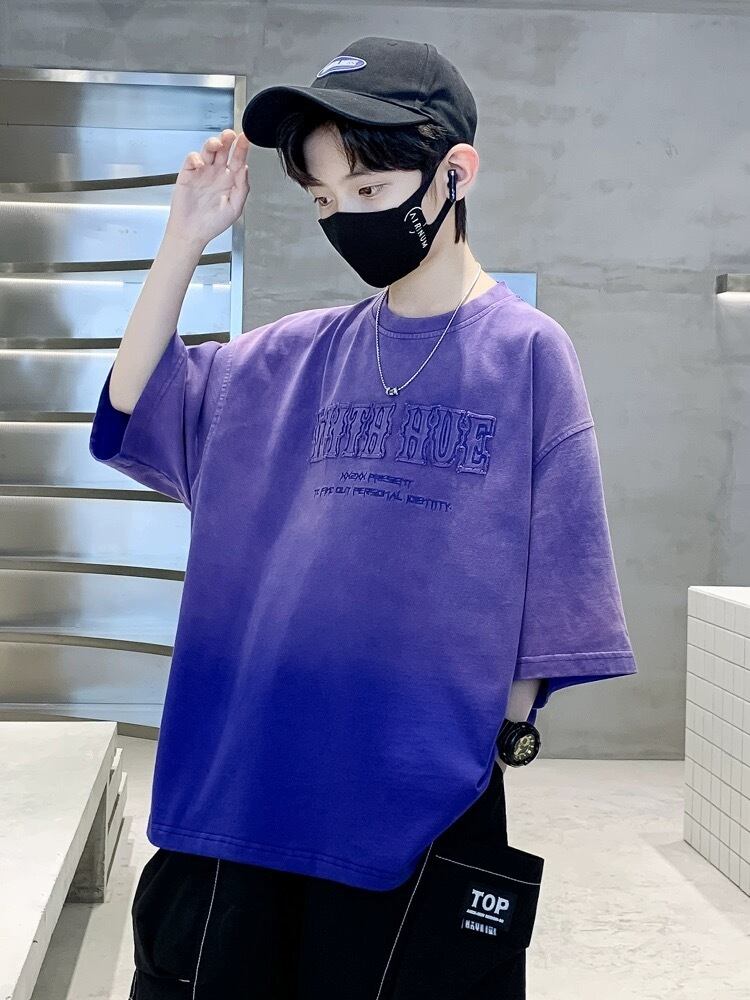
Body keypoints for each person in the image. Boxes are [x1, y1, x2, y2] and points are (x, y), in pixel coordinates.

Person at [89, 35, 638, 1000]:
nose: (345, 219)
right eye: (323, 201)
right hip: (242, 789)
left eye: (371, 190)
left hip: (410, 805)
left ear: (455, 174)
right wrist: (184, 238)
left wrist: (498, 732)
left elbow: (563, 570)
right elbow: (131, 410)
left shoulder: (526, 355)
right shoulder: (288, 357)